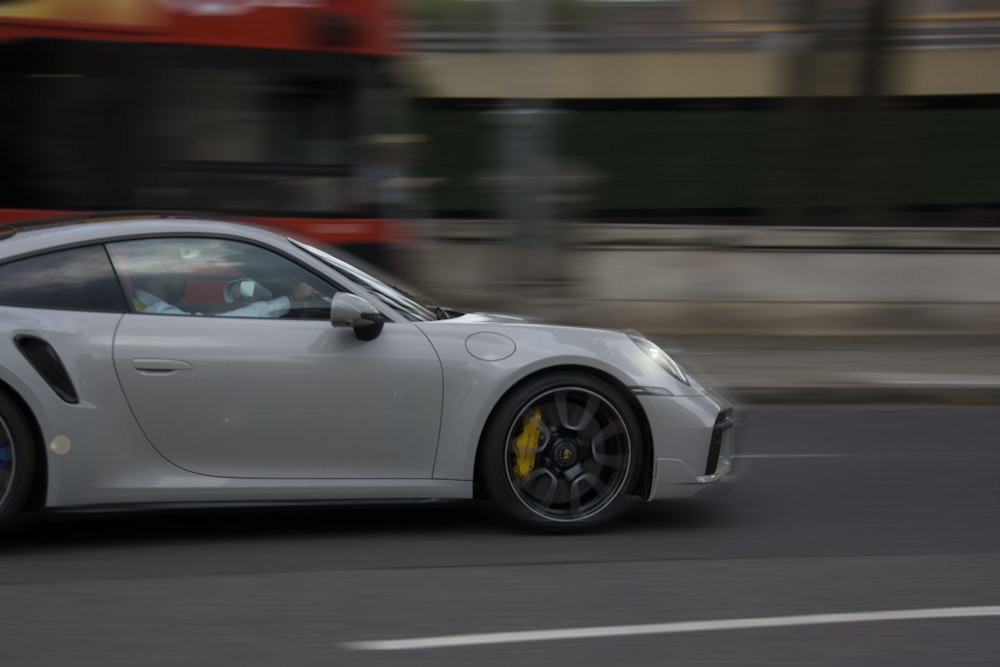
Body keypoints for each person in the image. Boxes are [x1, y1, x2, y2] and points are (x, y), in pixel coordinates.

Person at [132, 274, 316, 318]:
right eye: (177, 273)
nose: (185, 278)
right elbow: (230, 322)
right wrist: (291, 299)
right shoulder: (154, 311)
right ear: (157, 280)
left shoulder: (140, 305)